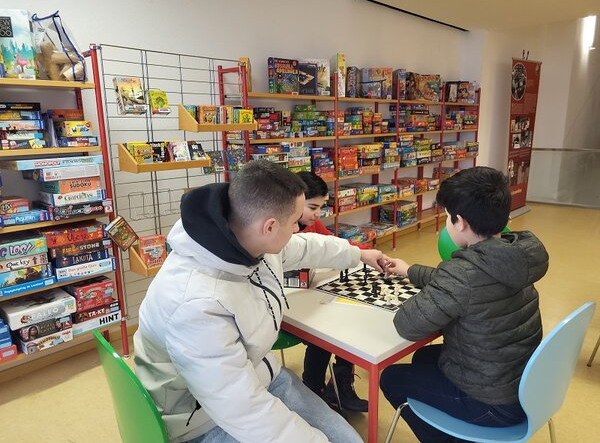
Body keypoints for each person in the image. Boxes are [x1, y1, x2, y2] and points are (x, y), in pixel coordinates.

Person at [134, 160, 387, 443]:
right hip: (201, 417)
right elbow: (243, 410)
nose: (298, 229)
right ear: (270, 226)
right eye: (295, 222)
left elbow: (303, 247)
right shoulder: (196, 304)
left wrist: (358, 254)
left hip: (258, 374)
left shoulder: (247, 235)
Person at [379, 166, 549, 443]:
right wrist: (410, 270)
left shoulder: (463, 274)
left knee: (391, 378)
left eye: (447, 216)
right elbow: (470, 284)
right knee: (424, 358)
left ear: (460, 222)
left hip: (491, 404)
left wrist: (431, 290)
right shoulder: (514, 255)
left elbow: (407, 325)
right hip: (524, 386)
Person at [295, 171, 369, 413]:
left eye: (321, 207)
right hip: (287, 309)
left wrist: (364, 251)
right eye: (313, 207)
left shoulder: (312, 223)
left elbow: (333, 244)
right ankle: (313, 391)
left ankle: (340, 387)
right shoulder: (279, 231)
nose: (318, 214)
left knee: (347, 323)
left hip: (311, 296)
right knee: (324, 337)